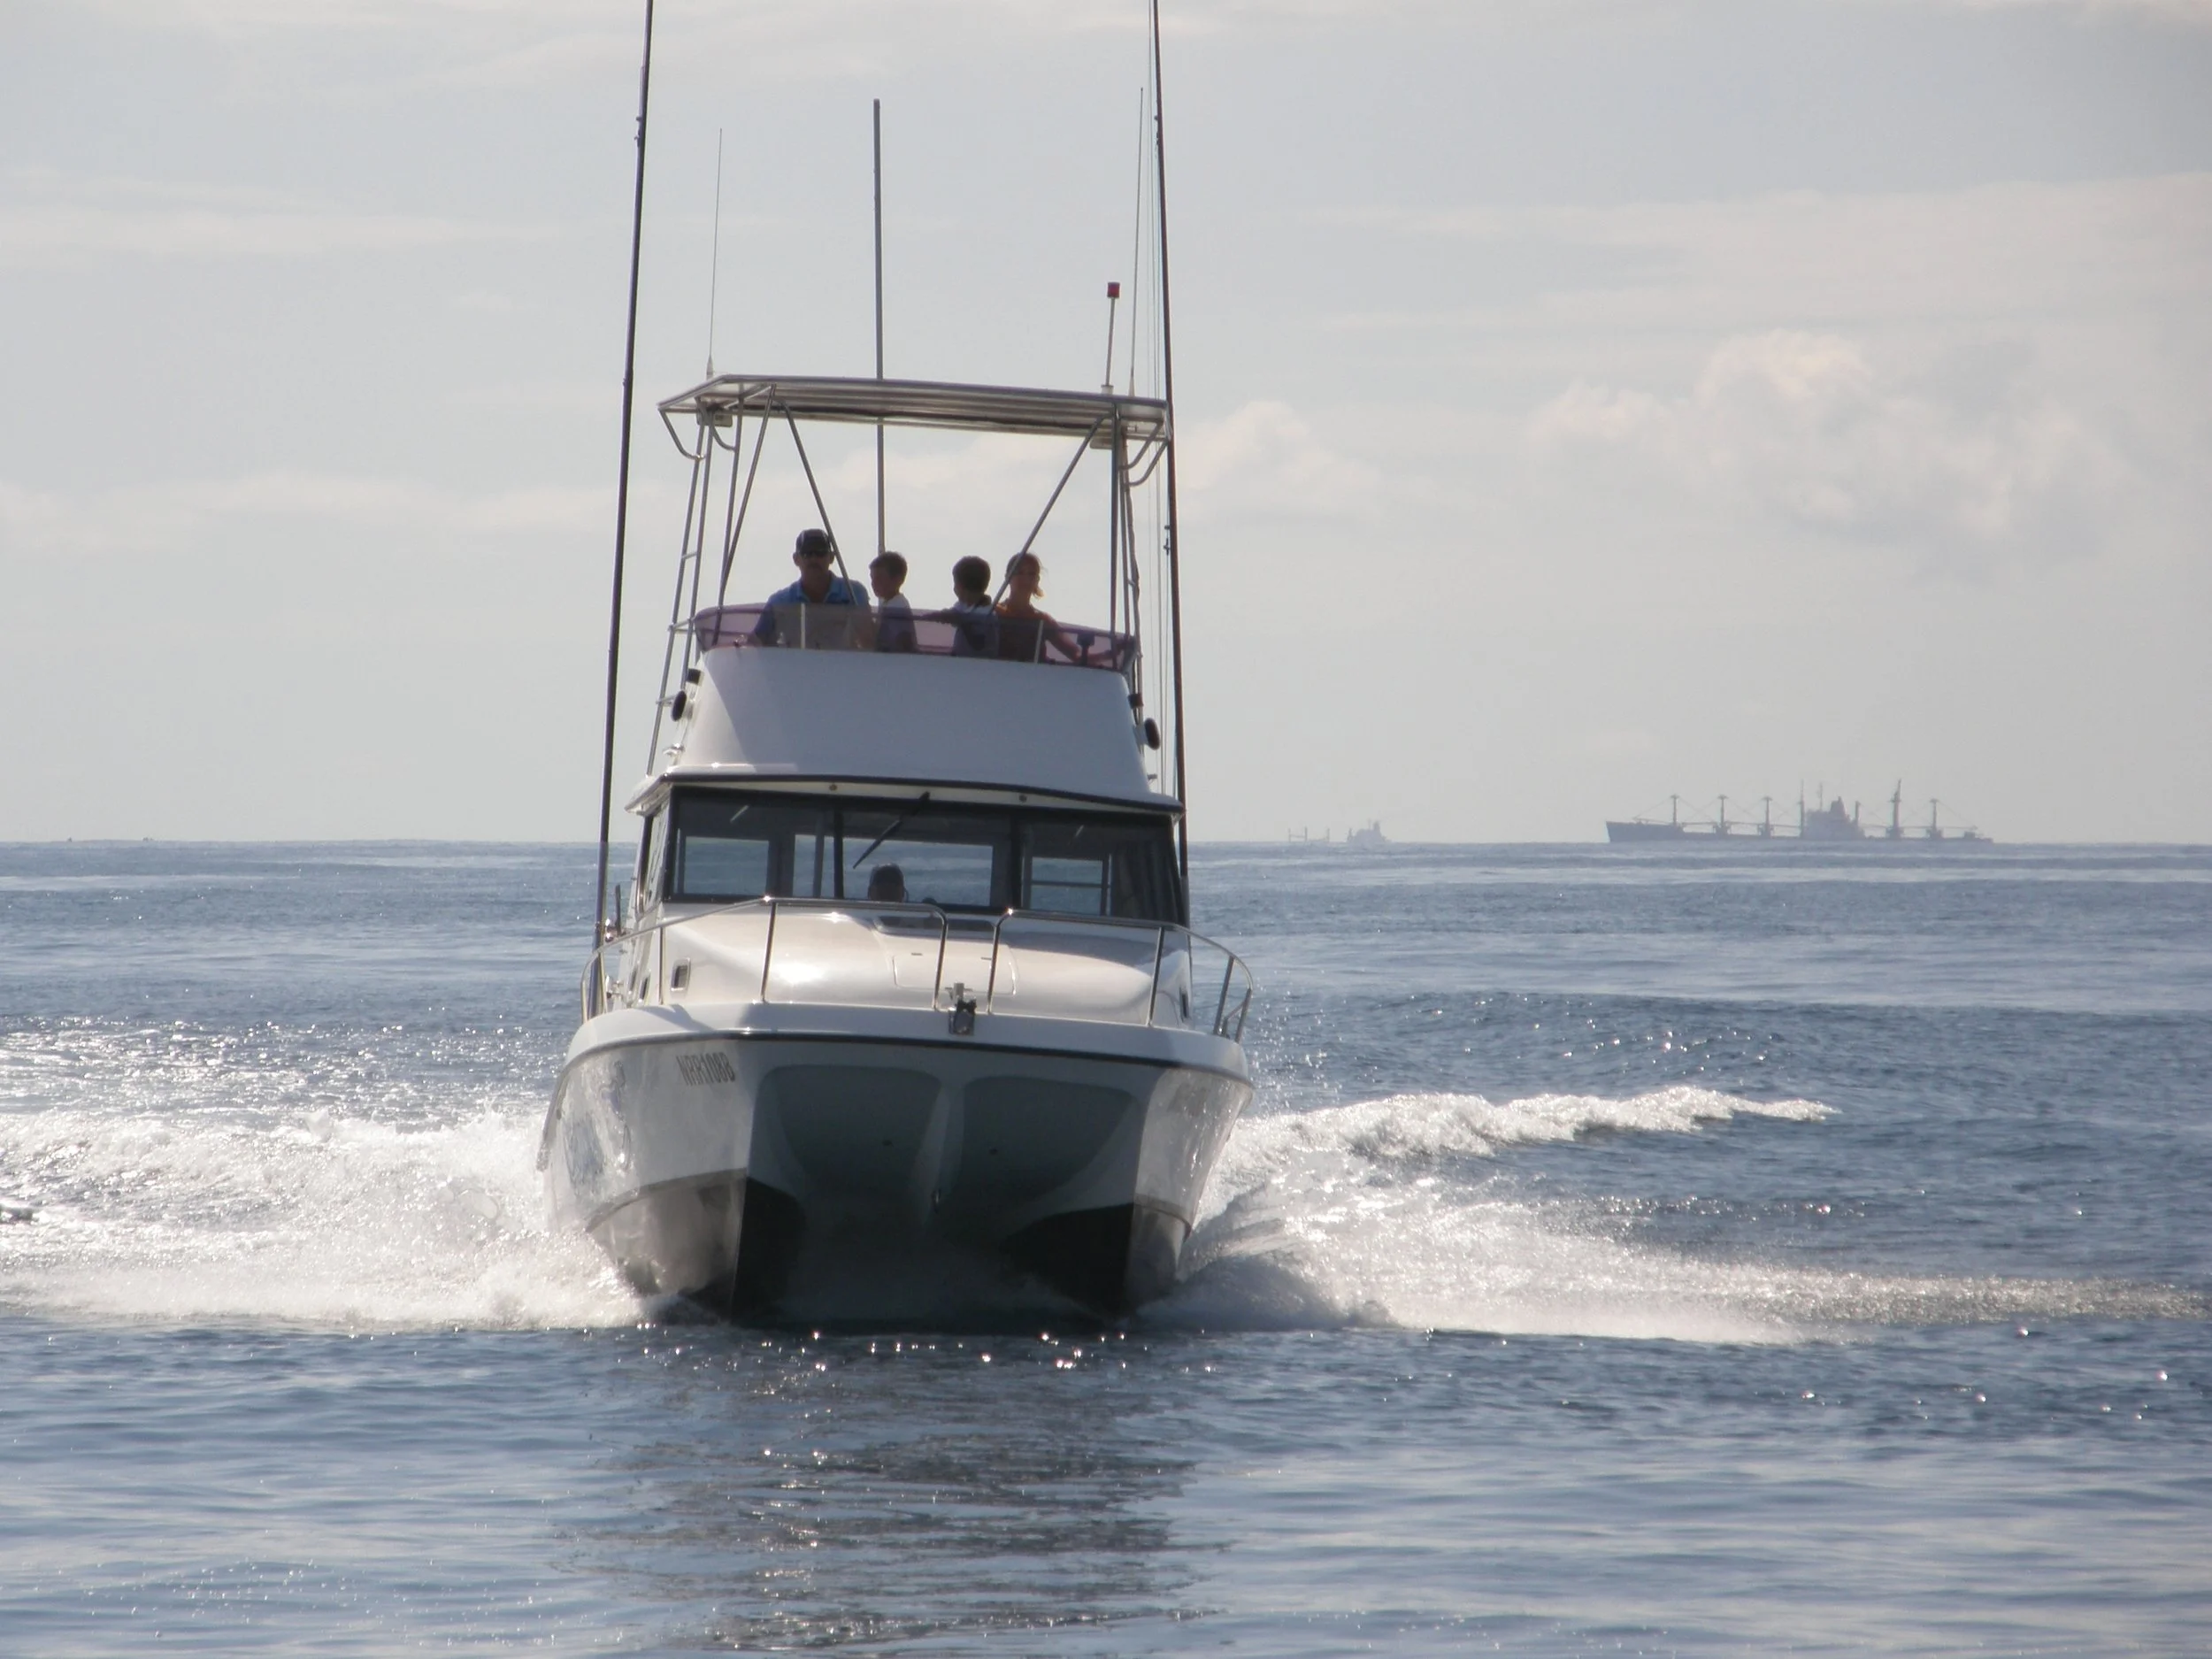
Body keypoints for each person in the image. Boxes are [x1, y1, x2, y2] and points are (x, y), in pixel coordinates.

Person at [752, 527, 870, 646]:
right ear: (796, 559)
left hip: (844, 664)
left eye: (820, 553)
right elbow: (757, 642)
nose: (814, 559)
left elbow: (870, 640)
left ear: (831, 557)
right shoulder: (779, 602)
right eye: (807, 554)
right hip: (796, 664)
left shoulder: (854, 593)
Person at [995, 551, 1081, 663]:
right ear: (1008, 577)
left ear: (1037, 580)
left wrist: (1107, 655)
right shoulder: (994, 613)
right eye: (1020, 572)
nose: (1025, 579)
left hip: (1032, 678)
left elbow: (1077, 655)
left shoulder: (1042, 620)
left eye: (1031, 574)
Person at [946, 556, 997, 658]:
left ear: (960, 587)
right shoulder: (962, 606)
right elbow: (951, 614)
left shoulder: (986, 613)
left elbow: (979, 644)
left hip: (978, 666)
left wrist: (962, 622)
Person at [870, 551, 917, 652]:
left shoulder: (898, 607)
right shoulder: (886, 604)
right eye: (872, 578)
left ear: (898, 580)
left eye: (879, 578)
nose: (874, 583)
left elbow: (903, 640)